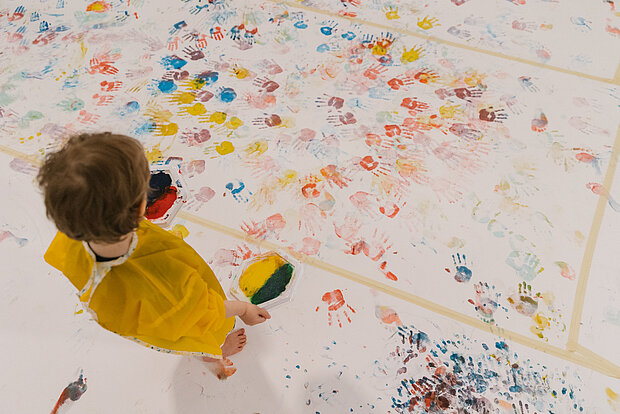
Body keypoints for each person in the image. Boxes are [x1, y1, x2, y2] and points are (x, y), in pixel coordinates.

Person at [38, 132, 270, 378]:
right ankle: (217, 352)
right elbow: (205, 312)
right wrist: (243, 309)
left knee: (184, 329)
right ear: (140, 206)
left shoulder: (75, 232)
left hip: (134, 313)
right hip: (177, 318)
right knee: (197, 337)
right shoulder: (163, 280)